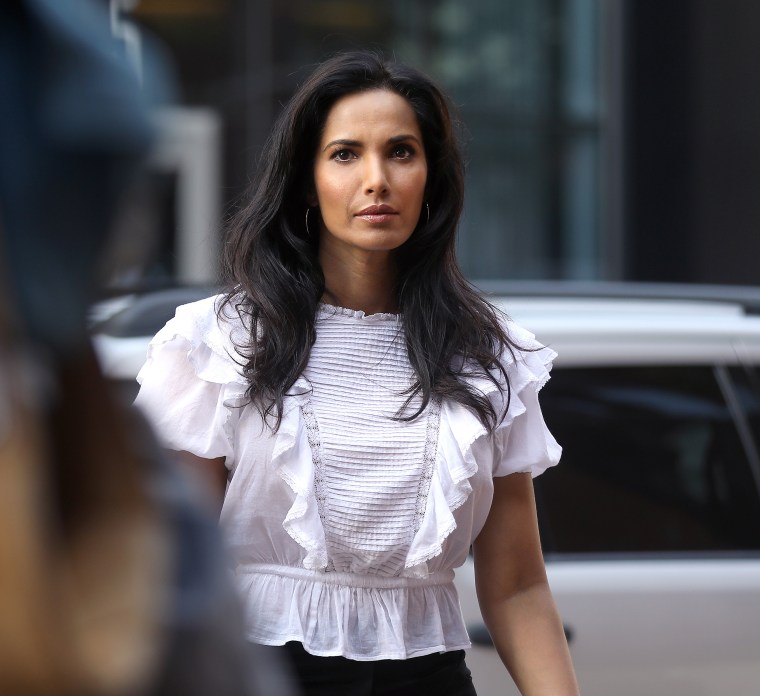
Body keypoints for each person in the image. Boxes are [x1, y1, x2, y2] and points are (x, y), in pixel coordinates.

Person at [135, 50, 579, 696]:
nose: (377, 178)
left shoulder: (489, 355)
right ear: (306, 180)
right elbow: (178, 571)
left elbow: (516, 585)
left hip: (430, 678)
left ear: (432, 176)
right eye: (345, 154)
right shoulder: (219, 342)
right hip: (261, 671)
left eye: (401, 152)